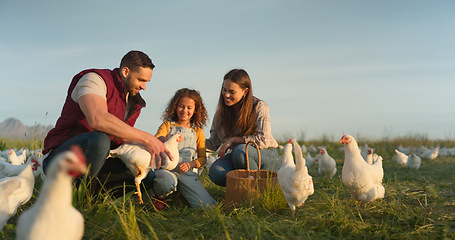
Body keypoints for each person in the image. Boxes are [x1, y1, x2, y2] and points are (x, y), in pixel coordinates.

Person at [42, 50, 173, 195]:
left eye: (146, 82)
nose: (144, 87)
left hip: (99, 162)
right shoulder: (93, 79)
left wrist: (147, 150)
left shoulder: (133, 102)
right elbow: (97, 119)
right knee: (100, 140)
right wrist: (148, 139)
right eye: (141, 80)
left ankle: (94, 198)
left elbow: (122, 138)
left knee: (145, 178)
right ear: (125, 71)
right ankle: (75, 197)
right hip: (61, 159)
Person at [206, 69, 280, 187]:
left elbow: (264, 139)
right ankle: (242, 191)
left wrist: (233, 140)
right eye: (224, 90)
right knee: (216, 172)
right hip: (239, 158)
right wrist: (192, 138)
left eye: (232, 91)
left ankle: (259, 190)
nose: (226, 95)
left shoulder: (259, 106)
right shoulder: (221, 113)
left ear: (245, 91)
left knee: (240, 150)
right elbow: (213, 143)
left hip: (265, 155)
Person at [153, 88, 216, 209]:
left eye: (189, 108)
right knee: (165, 182)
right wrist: (165, 140)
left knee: (207, 207)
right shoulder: (167, 125)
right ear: (175, 106)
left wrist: (191, 164)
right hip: (167, 168)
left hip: (186, 172)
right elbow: (158, 138)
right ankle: (160, 196)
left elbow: (202, 158)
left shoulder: (197, 131)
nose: (184, 110)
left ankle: (182, 193)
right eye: (181, 106)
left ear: (196, 110)